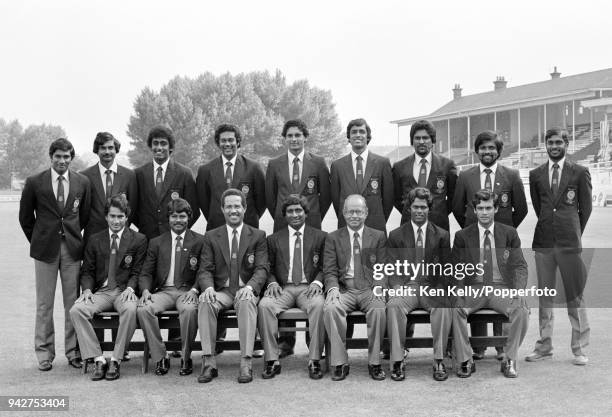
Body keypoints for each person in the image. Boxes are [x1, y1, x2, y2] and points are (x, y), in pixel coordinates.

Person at [452, 130, 528, 360]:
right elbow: (457, 207)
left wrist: (504, 232)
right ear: (477, 151)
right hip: (474, 240)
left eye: (491, 148)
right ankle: (478, 348)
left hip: (500, 240)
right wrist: (472, 229)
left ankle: (504, 349)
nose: (487, 151)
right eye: (483, 148)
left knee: (504, 288)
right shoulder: (466, 177)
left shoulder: (511, 175)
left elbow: (521, 209)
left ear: (498, 151)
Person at [19, 138, 91, 371]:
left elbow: (86, 216)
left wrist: (72, 237)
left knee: (72, 303)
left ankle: (73, 352)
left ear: (72, 158)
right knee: (44, 304)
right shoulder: (35, 182)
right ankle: (44, 353)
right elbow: (25, 218)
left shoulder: (82, 182)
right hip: (45, 251)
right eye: (58, 156)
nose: (62, 161)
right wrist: (39, 240)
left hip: (72, 250)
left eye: (66, 156)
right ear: (51, 157)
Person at [525, 127, 592, 366]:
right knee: (545, 296)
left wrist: (572, 233)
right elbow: (539, 206)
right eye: (550, 143)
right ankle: (544, 346)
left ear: (566, 144)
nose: (554, 147)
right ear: (545, 145)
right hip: (544, 242)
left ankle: (579, 348)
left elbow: (585, 209)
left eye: (558, 142)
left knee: (575, 296)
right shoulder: (535, 174)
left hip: (569, 243)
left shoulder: (580, 172)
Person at [264, 119, 331, 357]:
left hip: (311, 225)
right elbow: (270, 198)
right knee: (285, 280)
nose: (294, 139)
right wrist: (285, 218)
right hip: (284, 226)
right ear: (284, 139)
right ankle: (286, 342)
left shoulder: (318, 163)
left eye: (298, 135)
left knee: (310, 280)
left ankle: (314, 339)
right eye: (289, 136)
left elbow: (326, 197)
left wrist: (311, 216)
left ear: (305, 138)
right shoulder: (274, 164)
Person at [451, 190, 529, 378]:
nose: (484, 212)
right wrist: (459, 291)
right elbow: (456, 268)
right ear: (475, 211)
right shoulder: (462, 235)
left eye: (488, 208)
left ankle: (509, 358)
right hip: (474, 288)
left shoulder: (509, 233)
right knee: (455, 308)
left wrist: (518, 291)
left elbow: (519, 265)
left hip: (499, 288)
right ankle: (465, 359)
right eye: (480, 208)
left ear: (495, 209)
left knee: (521, 308)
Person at [69, 194, 146, 380]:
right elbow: (87, 270)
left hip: (124, 291)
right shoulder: (95, 239)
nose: (116, 220)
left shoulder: (139, 239)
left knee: (130, 309)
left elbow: (138, 271)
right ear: (106, 217)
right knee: (77, 310)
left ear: (127, 217)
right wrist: (87, 290)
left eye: (120, 216)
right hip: (102, 292)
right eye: (112, 216)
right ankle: (98, 358)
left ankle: (116, 360)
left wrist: (130, 289)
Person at [197, 188, 268, 383]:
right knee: (205, 302)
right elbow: (204, 269)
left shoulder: (258, 235)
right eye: (229, 206)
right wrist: (209, 288)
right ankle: (209, 362)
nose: (233, 210)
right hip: (222, 290)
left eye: (237, 206)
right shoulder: (212, 236)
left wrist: (250, 288)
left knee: (246, 303)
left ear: (244, 208)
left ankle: (246, 362)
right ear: (222, 209)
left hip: (245, 290)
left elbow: (262, 269)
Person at [386, 187, 452, 381]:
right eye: (415, 207)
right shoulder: (396, 235)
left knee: (443, 305)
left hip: (431, 287)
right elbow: (391, 266)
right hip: (408, 286)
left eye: (423, 207)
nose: (419, 211)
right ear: (408, 208)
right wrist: (397, 286)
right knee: (394, 305)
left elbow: (447, 268)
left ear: (429, 208)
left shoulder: (441, 235)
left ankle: (439, 359)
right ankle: (397, 360)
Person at [258, 195, 327, 379]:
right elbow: (267, 267)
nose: (295, 214)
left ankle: (314, 360)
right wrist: (272, 282)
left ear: (306, 213)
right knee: (265, 306)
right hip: (283, 288)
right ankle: (272, 359)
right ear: (284, 215)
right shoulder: (273, 239)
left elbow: (325, 266)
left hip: (309, 288)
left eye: (298, 210)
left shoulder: (320, 236)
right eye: (290, 211)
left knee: (319, 306)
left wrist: (317, 282)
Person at [136, 198, 204, 377]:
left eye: (182, 216)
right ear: (168, 218)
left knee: (189, 310)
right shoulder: (157, 242)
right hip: (164, 291)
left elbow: (204, 270)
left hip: (187, 291)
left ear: (189, 217)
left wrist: (195, 289)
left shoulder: (199, 241)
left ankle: (186, 356)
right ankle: (160, 356)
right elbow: (146, 273)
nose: (178, 220)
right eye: (174, 216)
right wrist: (145, 291)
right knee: (144, 308)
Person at [323, 194, 387, 381]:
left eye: (358, 211)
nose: (354, 215)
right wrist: (333, 288)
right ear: (343, 213)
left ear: (366, 213)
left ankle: (375, 362)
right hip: (345, 289)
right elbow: (329, 270)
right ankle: (340, 362)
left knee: (378, 309)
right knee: (331, 308)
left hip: (369, 288)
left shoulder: (378, 236)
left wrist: (378, 288)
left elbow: (383, 268)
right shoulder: (333, 238)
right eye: (350, 211)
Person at [133, 125, 199, 240]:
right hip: (147, 239)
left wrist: (179, 230)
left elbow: (193, 210)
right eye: (155, 143)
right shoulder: (138, 174)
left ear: (171, 147)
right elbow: (133, 209)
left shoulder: (184, 173)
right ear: (150, 146)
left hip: (175, 239)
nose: (159, 147)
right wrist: (147, 227)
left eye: (163, 143)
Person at [196, 123, 266, 231]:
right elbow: (204, 203)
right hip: (216, 231)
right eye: (223, 141)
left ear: (237, 142)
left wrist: (248, 217)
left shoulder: (254, 168)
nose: (227, 144)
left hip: (247, 230)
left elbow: (261, 202)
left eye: (231, 140)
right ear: (218, 143)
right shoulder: (205, 170)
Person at [392, 119, 457, 230]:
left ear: (433, 140)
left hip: (439, 227)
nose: (421, 141)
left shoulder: (447, 165)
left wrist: (438, 212)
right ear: (412, 141)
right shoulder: (399, 167)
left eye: (425, 138)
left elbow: (454, 198)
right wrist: (411, 210)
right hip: (408, 228)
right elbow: (396, 199)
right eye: (417, 138)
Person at [330, 118, 393, 232]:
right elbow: (336, 202)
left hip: (376, 227)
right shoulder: (337, 166)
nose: (358, 135)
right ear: (349, 137)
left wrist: (378, 219)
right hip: (347, 227)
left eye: (362, 132)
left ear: (368, 136)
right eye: (354, 132)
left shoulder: (382, 163)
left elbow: (388, 200)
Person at [80, 132, 138, 241]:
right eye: (103, 148)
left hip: (121, 237)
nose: (107, 152)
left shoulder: (129, 175)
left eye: (110, 148)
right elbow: (83, 211)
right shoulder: (85, 176)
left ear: (116, 149)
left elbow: (132, 208)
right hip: (93, 238)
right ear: (97, 150)